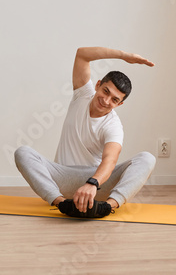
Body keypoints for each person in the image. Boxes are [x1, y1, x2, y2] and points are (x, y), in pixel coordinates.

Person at [14, 46, 156, 218]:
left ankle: (106, 207)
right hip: (62, 178)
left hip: (96, 187)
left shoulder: (113, 126)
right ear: (97, 85)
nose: (106, 100)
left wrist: (93, 183)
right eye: (105, 91)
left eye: (114, 100)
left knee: (147, 158)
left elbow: (110, 160)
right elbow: (82, 54)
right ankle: (62, 204)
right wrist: (124, 56)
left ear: (119, 104)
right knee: (22, 152)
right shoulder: (82, 94)